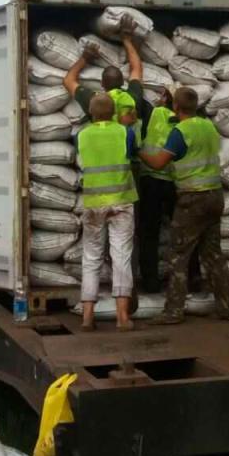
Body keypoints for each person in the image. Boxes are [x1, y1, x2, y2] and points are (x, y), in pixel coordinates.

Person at [139, 86, 229, 324]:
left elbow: (159, 163)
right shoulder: (209, 127)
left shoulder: (180, 132)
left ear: (176, 107)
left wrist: (137, 150)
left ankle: (173, 311)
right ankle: (227, 307)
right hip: (215, 197)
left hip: (193, 199)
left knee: (178, 255)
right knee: (213, 255)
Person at [77, 94, 139, 332]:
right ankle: (122, 317)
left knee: (91, 259)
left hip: (93, 204)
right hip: (122, 202)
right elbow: (131, 153)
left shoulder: (81, 135)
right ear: (113, 112)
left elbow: (81, 160)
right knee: (121, 257)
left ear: (92, 113)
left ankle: (87, 317)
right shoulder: (125, 132)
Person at [137, 88, 179, 293]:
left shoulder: (150, 113)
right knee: (181, 233)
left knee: (148, 235)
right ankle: (189, 278)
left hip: (150, 180)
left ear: (162, 100)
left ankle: (150, 282)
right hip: (173, 182)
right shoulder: (180, 119)